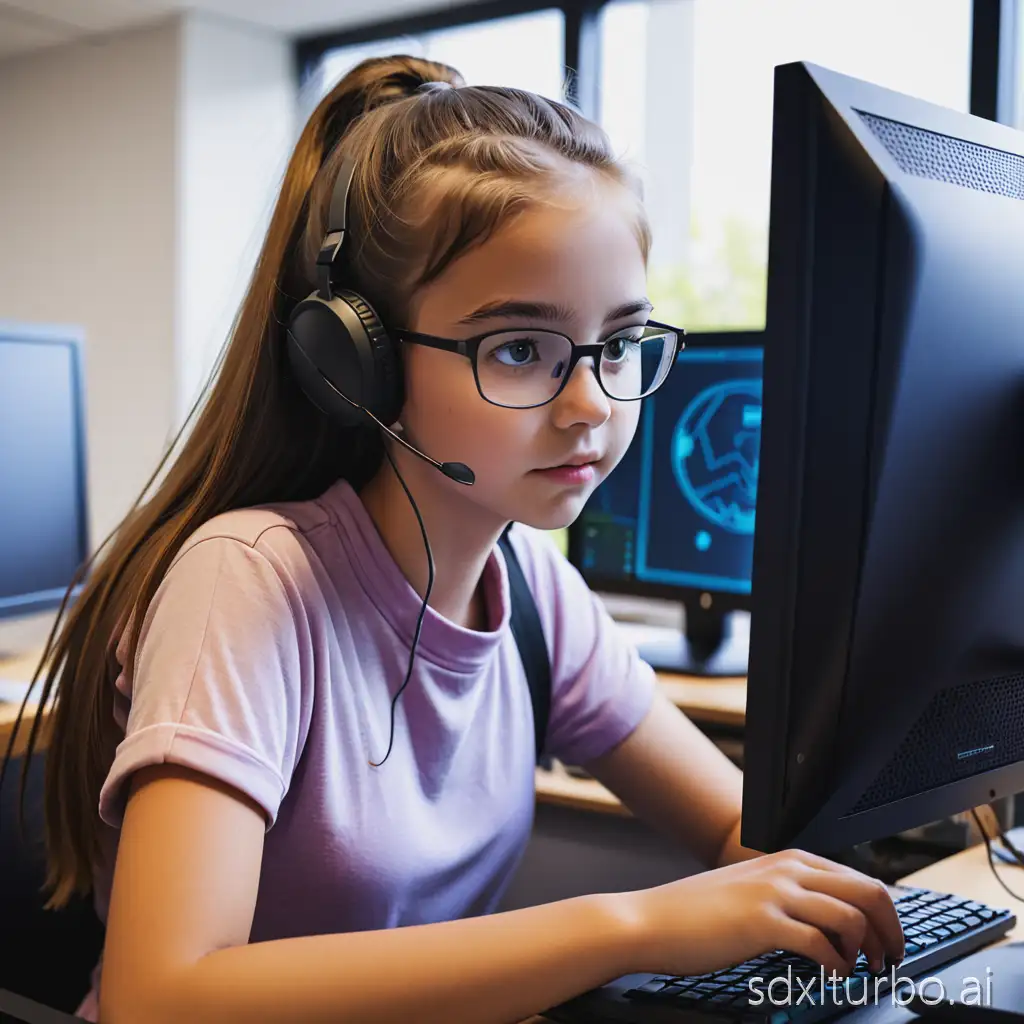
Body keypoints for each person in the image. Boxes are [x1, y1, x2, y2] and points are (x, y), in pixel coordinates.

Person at [8, 55, 903, 1024]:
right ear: (355, 363)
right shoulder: (250, 584)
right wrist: (631, 926)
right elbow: (161, 996)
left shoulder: (534, 595)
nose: (589, 406)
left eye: (617, 343)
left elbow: (739, 829)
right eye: (518, 348)